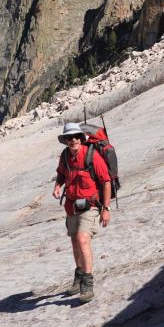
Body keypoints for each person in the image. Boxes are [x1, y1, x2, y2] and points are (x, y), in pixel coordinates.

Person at [53, 122, 111, 303]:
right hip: (71, 206)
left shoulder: (92, 156)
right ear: (66, 141)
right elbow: (61, 174)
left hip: (91, 206)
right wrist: (57, 186)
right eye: (69, 138)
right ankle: (78, 277)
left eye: (76, 137)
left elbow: (106, 181)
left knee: (82, 239)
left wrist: (106, 209)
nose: (73, 140)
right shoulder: (65, 157)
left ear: (81, 138)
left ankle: (87, 282)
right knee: (74, 243)